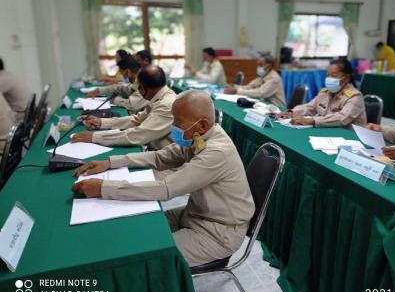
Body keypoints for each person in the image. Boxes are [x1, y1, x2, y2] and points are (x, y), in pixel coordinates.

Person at [72, 89, 255, 267]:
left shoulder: (216, 152)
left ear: (202, 125)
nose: (173, 126)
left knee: (144, 256)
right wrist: (110, 162)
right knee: (137, 227)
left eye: (178, 121)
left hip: (217, 233)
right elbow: (160, 157)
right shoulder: (199, 136)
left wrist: (104, 187)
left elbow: (166, 188)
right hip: (195, 214)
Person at [71, 66, 176, 150]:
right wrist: (101, 122)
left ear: (143, 87)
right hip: (154, 150)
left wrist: (94, 137)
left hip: (165, 159)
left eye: (138, 87)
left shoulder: (166, 105)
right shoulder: (159, 96)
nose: (138, 91)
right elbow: (137, 119)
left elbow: (138, 136)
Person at [277, 59, 366, 129]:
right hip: (327, 133)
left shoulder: (355, 96)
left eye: (334, 76)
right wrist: (291, 113)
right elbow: (310, 107)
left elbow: (341, 118)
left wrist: (312, 121)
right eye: (328, 75)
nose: (329, 78)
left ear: (346, 78)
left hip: (349, 140)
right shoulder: (325, 92)